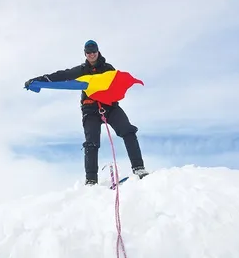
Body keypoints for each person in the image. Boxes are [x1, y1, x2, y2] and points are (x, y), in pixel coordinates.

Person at [25, 40, 149, 185]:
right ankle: (91, 180)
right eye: (88, 52)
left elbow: (116, 83)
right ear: (85, 53)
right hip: (90, 109)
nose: (91, 55)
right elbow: (62, 75)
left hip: (110, 107)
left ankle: (139, 168)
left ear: (98, 52)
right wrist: (37, 81)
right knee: (91, 143)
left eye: (94, 52)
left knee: (128, 130)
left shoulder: (108, 68)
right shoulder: (81, 70)